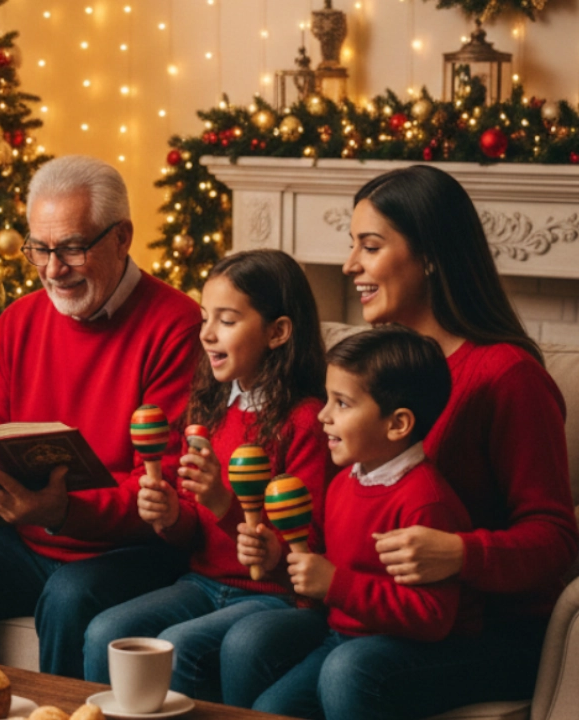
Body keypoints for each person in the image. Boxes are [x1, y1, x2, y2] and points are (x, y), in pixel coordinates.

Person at [222, 165, 578, 718]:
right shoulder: (372, 371)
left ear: (430, 255)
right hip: (381, 612)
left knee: (351, 670)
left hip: (489, 631)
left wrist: (460, 553)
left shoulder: (507, 377)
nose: (350, 265)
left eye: (370, 246)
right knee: (251, 642)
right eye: (351, 245)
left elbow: (556, 541)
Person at [0, 156, 203, 678]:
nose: (53, 269)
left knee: (69, 596)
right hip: (28, 538)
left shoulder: (176, 324)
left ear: (122, 237)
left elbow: (162, 487)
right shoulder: (19, 320)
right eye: (40, 249)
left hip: (127, 549)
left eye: (72, 248)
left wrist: (62, 510)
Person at [81, 250, 332, 695]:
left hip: (273, 596)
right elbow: (192, 533)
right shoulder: (211, 409)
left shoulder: (305, 422)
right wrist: (171, 515)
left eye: (227, 320)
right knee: (107, 631)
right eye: (204, 318)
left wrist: (223, 504)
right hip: (203, 582)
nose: (207, 334)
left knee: (182, 645)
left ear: (278, 332)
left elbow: (304, 551)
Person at [239, 326, 478, 718]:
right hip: (343, 635)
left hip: (409, 650)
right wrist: (278, 559)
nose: (322, 415)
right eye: (327, 399)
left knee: (344, 671)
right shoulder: (344, 483)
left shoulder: (425, 502)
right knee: (271, 708)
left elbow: (434, 617)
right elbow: (319, 572)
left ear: (397, 424)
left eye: (342, 403)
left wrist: (336, 584)